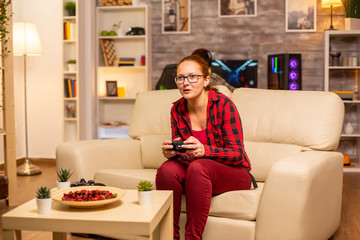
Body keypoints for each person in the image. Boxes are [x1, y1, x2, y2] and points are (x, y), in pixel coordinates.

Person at [155, 54, 255, 240]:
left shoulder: (224, 105)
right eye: (181, 78)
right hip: (197, 170)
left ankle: (193, 238)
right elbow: (185, 155)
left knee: (199, 166)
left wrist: (205, 150)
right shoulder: (176, 109)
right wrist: (172, 153)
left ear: (206, 80)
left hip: (234, 172)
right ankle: (170, 236)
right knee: (166, 170)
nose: (186, 83)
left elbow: (238, 154)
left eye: (193, 77)